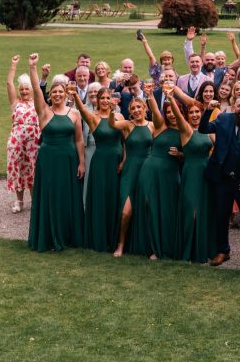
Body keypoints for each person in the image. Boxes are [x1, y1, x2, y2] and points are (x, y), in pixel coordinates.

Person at [27, 54, 85, 251]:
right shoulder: (44, 112)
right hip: (49, 159)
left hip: (69, 160)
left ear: (66, 94)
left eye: (61, 91)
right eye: (54, 92)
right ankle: (49, 236)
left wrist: (82, 162)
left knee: (67, 197)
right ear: (50, 95)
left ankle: (67, 236)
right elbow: (36, 90)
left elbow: (79, 140)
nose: (58, 94)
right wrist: (33, 67)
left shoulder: (74, 113)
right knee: (50, 195)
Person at [200, 96, 240, 268]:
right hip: (222, 177)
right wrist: (208, 111)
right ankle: (223, 251)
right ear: (234, 107)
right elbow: (203, 129)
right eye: (238, 105)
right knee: (221, 215)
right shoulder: (223, 119)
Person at [72, 87, 124, 253]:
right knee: (100, 198)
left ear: (112, 100)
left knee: (115, 197)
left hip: (117, 161)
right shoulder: (93, 118)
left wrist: (124, 160)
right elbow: (81, 109)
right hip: (101, 162)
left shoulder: (119, 117)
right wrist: (75, 94)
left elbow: (126, 140)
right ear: (98, 100)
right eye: (102, 98)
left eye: (108, 98)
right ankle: (98, 238)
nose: (105, 101)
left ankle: (114, 238)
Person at [167, 95, 216, 264]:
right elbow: (177, 114)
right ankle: (187, 250)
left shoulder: (208, 131)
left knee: (204, 212)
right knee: (191, 212)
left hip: (206, 174)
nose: (195, 115)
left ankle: (202, 250)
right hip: (191, 173)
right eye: (191, 112)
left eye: (197, 112)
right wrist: (170, 97)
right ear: (187, 116)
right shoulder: (186, 130)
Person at [109, 95, 153, 257]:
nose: (136, 110)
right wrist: (112, 110)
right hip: (130, 170)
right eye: (133, 108)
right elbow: (112, 124)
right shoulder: (128, 125)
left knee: (147, 207)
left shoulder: (152, 125)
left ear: (145, 108)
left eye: (139, 107)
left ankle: (150, 246)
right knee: (126, 211)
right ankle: (120, 244)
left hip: (147, 169)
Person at [143, 91, 182, 260]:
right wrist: (150, 95)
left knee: (168, 209)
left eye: (174, 111)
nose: (171, 115)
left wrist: (180, 155)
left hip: (171, 175)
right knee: (151, 206)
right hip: (151, 171)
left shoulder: (185, 130)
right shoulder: (160, 126)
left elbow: (191, 154)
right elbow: (154, 110)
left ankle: (168, 246)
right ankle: (153, 248)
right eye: (168, 112)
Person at [6, 55, 41, 213]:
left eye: (27, 89)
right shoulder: (16, 103)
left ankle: (34, 201)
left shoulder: (38, 102)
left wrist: (33, 67)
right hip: (17, 141)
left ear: (32, 90)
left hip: (34, 141)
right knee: (18, 169)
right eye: (22, 89)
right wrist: (14, 65)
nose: (24, 91)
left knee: (33, 169)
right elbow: (9, 83)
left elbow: (37, 85)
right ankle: (19, 201)